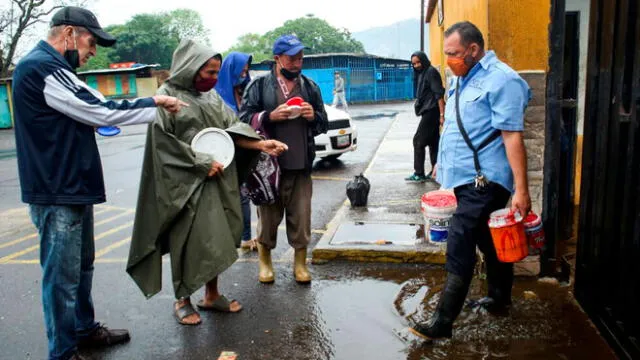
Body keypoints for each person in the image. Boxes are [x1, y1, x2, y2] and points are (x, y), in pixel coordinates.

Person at [11, 6, 188, 360]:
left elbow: (92, 110)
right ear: (70, 34)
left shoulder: (57, 68)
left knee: (82, 266)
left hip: (72, 184)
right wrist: (155, 103)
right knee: (61, 277)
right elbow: (101, 111)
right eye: (92, 42)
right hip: (56, 188)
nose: (94, 51)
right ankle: (62, 351)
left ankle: (83, 329)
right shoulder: (40, 67)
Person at [126, 39, 287, 326]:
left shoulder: (211, 98)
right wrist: (199, 163)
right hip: (183, 185)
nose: (214, 79)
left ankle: (212, 294)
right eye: (209, 73)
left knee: (218, 238)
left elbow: (232, 130)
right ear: (191, 68)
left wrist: (261, 145)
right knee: (186, 240)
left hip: (218, 180)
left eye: (216, 73)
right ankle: (182, 300)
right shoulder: (167, 97)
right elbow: (162, 145)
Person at [408, 21, 531, 340]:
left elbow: (511, 136)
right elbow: (454, 123)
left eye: (454, 54)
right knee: (485, 238)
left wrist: (521, 189)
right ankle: (499, 297)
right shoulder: (461, 76)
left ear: (474, 50)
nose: (449, 60)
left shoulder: (503, 81)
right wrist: (442, 164)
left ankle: (443, 322)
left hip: (487, 178)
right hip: (463, 176)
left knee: (460, 236)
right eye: (447, 54)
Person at [239, 34, 328, 284]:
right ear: (277, 58)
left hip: (301, 165)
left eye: (300, 57)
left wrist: (313, 117)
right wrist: (269, 116)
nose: (297, 62)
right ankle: (265, 262)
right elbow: (243, 120)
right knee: (267, 218)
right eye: (291, 58)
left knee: (301, 218)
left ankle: (300, 263)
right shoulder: (258, 86)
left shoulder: (310, 87)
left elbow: (323, 124)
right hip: (268, 168)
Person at [214, 51, 257, 251]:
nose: (244, 74)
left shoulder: (244, 91)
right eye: (241, 71)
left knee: (245, 196)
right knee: (232, 198)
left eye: (246, 71)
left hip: (244, 154)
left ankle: (246, 237)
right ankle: (234, 238)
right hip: (224, 155)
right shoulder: (216, 96)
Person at [405, 51, 445, 182]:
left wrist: (441, 114)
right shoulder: (423, 73)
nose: (416, 65)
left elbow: (439, 94)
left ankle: (419, 173)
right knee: (433, 142)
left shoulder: (430, 72)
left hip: (432, 111)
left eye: (418, 62)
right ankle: (436, 170)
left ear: (424, 60)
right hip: (428, 111)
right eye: (414, 64)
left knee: (418, 141)